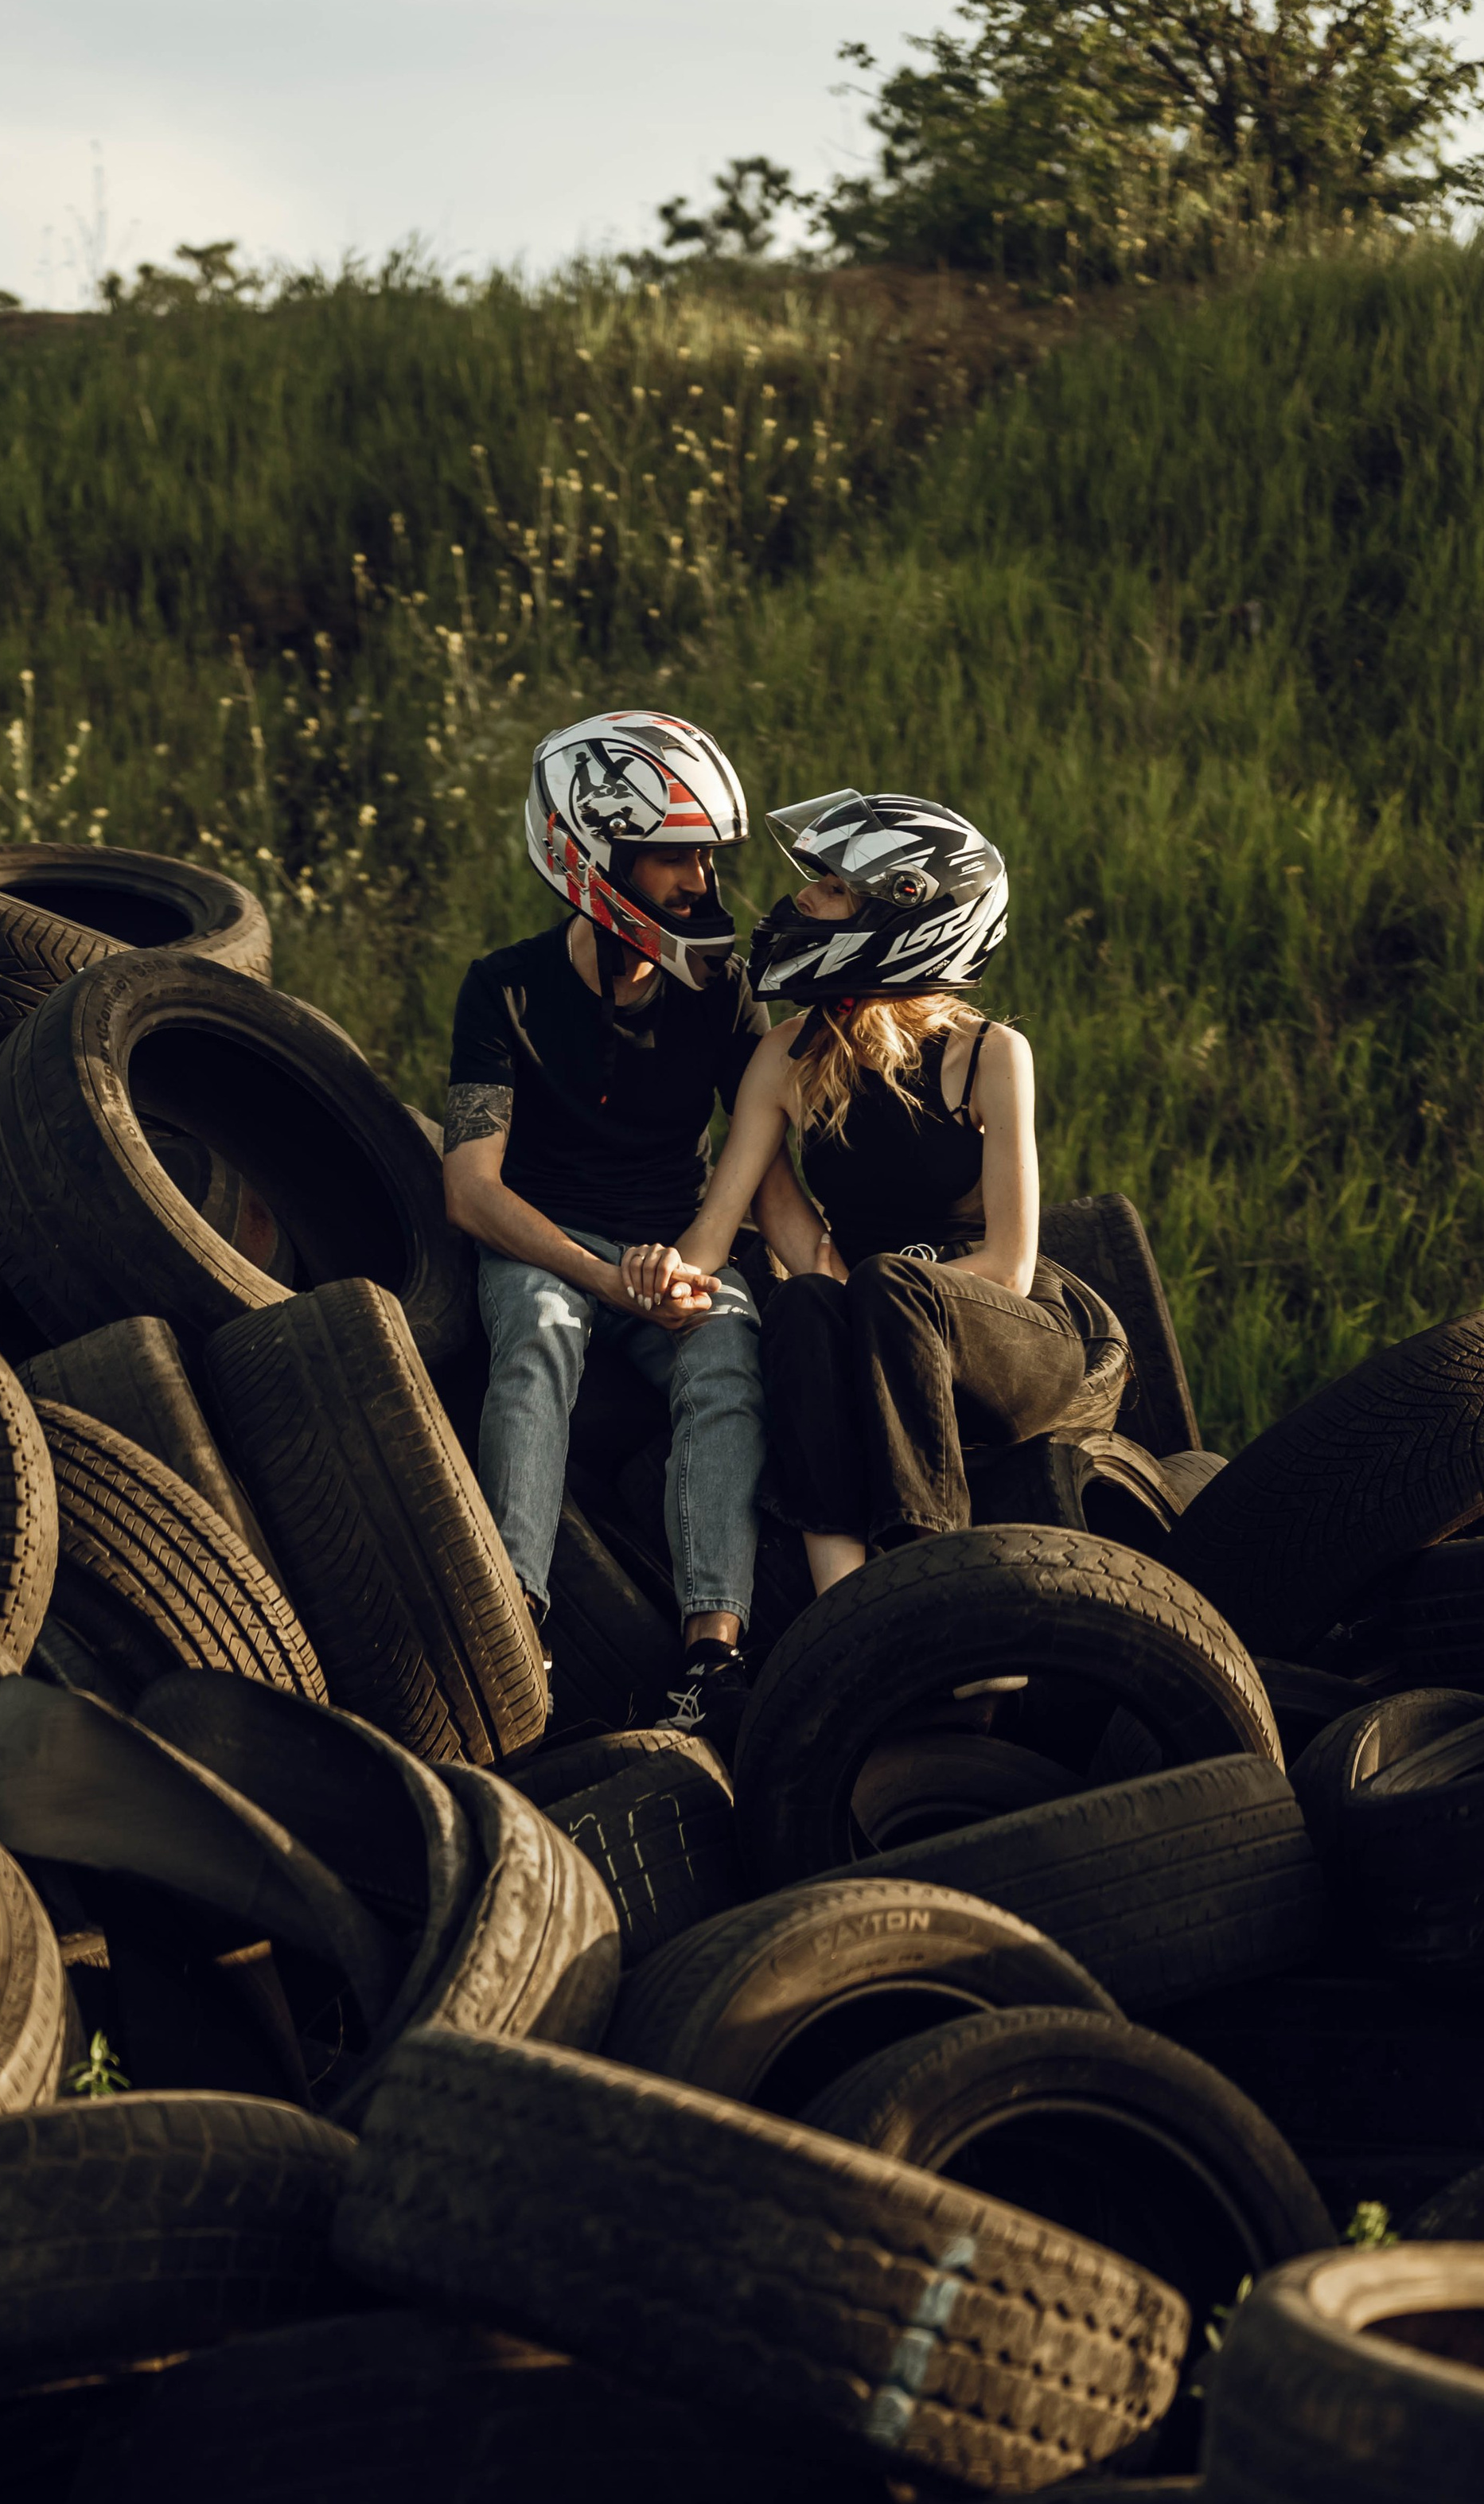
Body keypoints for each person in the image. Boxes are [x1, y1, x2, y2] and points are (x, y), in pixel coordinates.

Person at [667, 786, 1127, 1594]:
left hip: (1005, 1343)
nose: (801, 899)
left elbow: (1011, 1266)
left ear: (903, 915)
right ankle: (848, 1606)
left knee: (874, 1282)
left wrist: (876, 1290)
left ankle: (937, 1592)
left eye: (834, 888)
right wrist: (638, 1283)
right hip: (868, 1322)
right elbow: (715, 1227)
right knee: (803, 1300)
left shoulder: (989, 1053)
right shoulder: (783, 1056)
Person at [442, 708, 781, 1743]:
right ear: (594, 855)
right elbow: (470, 1188)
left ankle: (712, 1656)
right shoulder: (503, 986)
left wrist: (690, 1270)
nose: (701, 884)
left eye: (708, 858)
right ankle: (514, 1624)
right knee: (538, 1341)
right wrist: (600, 1279)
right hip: (551, 1240)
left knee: (730, 1349)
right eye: (675, 857)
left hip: (680, 1246)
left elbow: (759, 1149)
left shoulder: (722, 987)